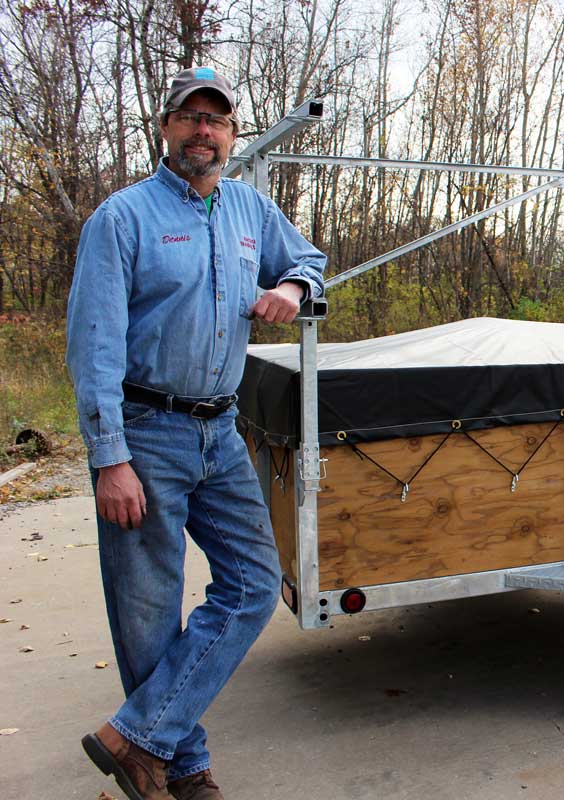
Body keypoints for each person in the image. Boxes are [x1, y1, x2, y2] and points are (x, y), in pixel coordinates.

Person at [66, 67, 326, 800]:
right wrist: (108, 456)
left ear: (231, 135)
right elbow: (93, 347)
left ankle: (136, 734)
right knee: (148, 612)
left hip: (222, 431)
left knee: (251, 585)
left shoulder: (248, 208)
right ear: (166, 128)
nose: (203, 132)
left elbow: (309, 260)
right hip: (146, 433)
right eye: (190, 119)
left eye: (217, 121)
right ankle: (181, 765)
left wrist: (291, 288)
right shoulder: (122, 219)